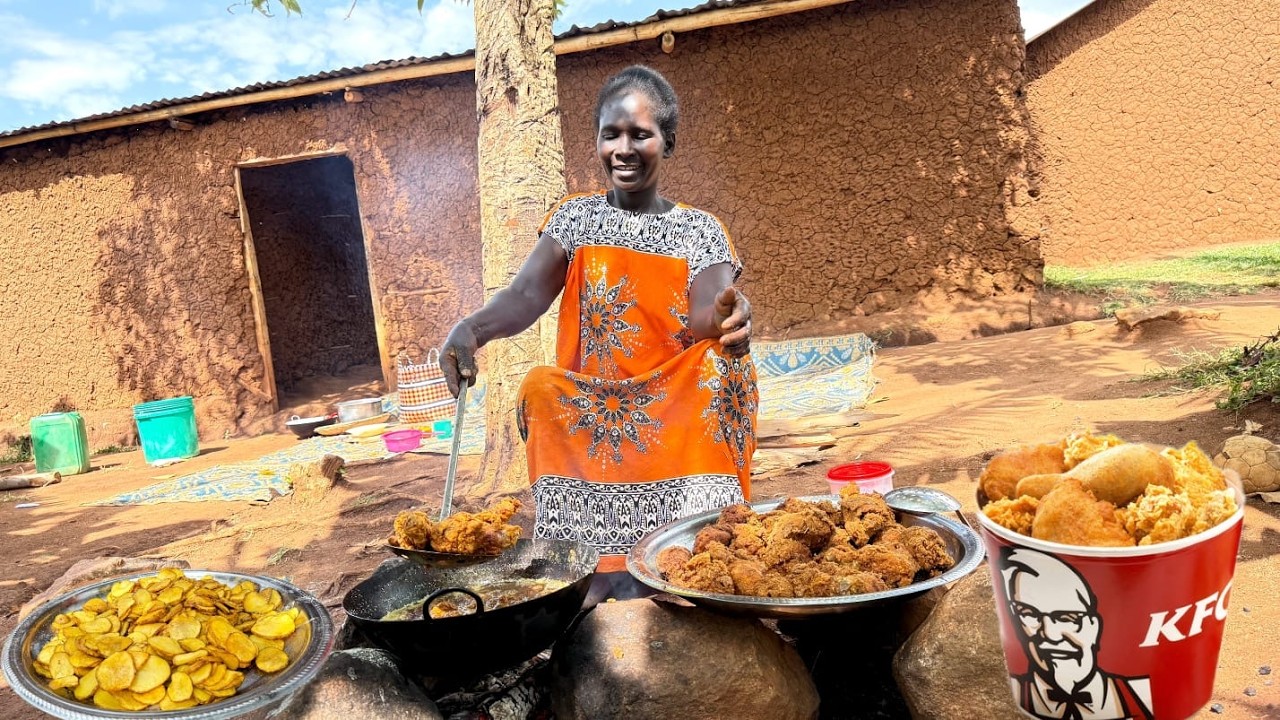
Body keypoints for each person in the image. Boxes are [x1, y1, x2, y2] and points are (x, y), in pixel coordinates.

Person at [439, 65, 759, 583]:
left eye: (641, 134)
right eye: (611, 134)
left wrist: (725, 314)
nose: (623, 149)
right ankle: (593, 565)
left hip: (671, 400)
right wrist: (471, 329)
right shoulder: (576, 218)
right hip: (596, 404)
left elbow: (706, 315)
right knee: (539, 388)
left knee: (719, 367)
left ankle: (697, 549)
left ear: (668, 143)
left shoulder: (700, 230)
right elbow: (525, 295)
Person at [1000, 548, 1154, 720]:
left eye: (1067, 617)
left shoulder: (1142, 695)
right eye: (1029, 614)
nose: (1051, 634)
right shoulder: (1009, 694)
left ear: (1093, 627)